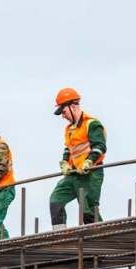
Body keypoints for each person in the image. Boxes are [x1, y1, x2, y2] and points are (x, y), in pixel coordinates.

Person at [49, 88, 107, 230]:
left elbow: (100, 146)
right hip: (75, 173)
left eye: (64, 112)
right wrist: (64, 163)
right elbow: (69, 149)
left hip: (91, 173)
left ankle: (101, 238)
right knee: (56, 200)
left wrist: (89, 162)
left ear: (73, 107)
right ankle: (60, 237)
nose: (63, 116)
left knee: (88, 211)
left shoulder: (91, 124)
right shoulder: (70, 129)